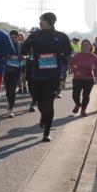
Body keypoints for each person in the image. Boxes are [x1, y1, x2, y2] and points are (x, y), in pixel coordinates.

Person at [20, 12, 73, 142]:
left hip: (53, 75)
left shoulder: (61, 37)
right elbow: (23, 51)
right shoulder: (35, 35)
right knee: (39, 101)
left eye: (42, 20)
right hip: (37, 75)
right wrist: (26, 44)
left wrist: (63, 58)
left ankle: (47, 132)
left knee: (49, 103)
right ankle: (44, 116)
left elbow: (69, 51)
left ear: (49, 21)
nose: (40, 22)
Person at [70, 40, 97, 116]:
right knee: (75, 95)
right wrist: (75, 70)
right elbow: (71, 64)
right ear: (82, 46)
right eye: (84, 45)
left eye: (87, 44)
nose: (86, 46)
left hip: (89, 79)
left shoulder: (94, 56)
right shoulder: (77, 55)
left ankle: (83, 110)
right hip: (77, 78)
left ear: (90, 46)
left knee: (86, 95)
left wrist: (94, 67)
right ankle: (78, 104)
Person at [3, 29, 23, 118]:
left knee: (12, 89)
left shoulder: (21, 46)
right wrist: (6, 56)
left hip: (16, 70)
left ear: (18, 38)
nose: (13, 39)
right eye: (11, 38)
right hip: (6, 71)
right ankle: (9, 103)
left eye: (15, 37)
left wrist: (22, 57)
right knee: (8, 91)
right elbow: (0, 55)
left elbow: (27, 55)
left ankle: (10, 109)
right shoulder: (6, 46)